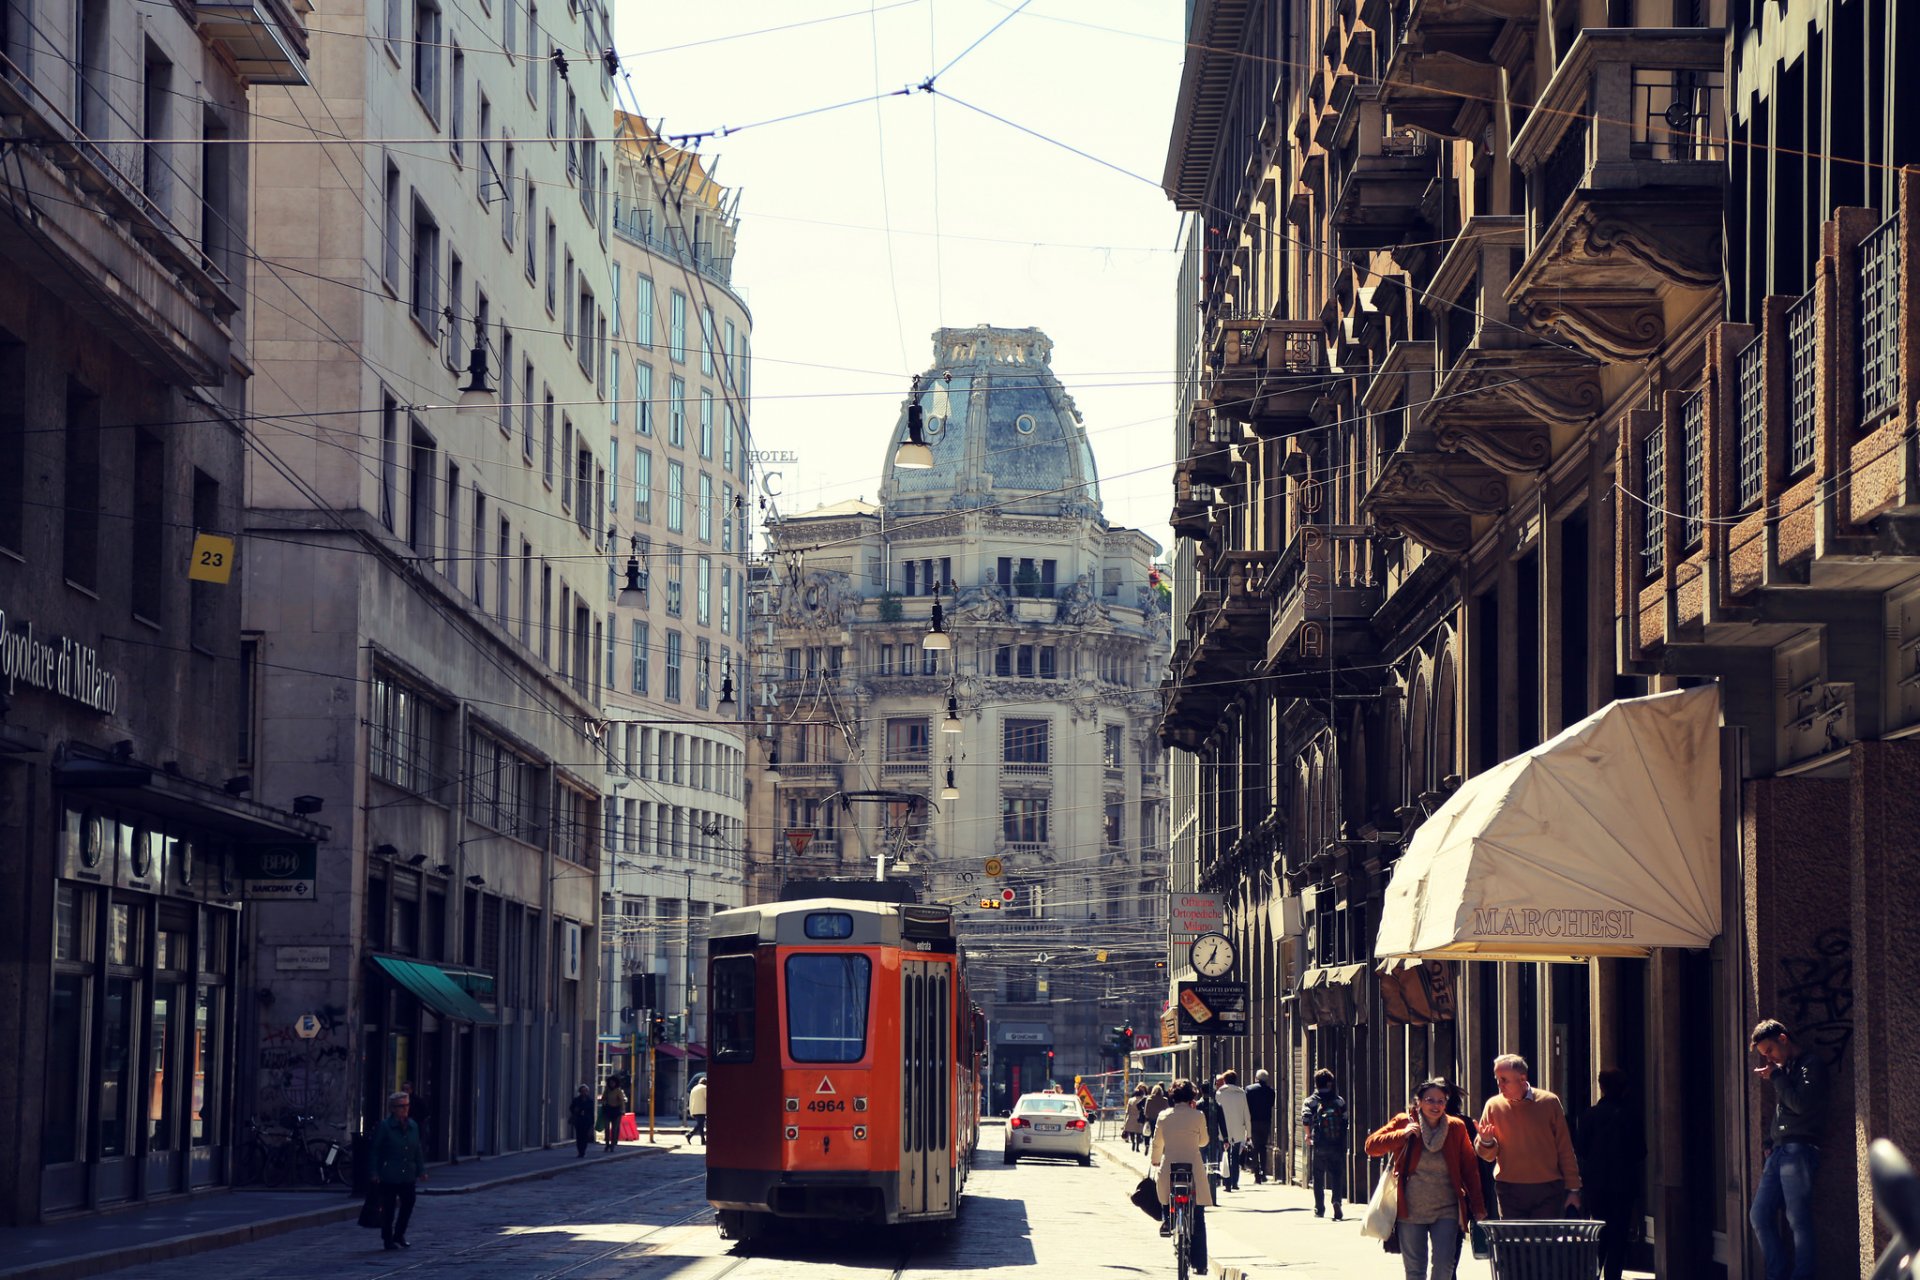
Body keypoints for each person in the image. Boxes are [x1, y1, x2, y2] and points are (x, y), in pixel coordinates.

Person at [1365, 1079, 1487, 1280]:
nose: (1435, 1105)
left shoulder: (1456, 1127)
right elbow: (1371, 1146)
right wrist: (1401, 1134)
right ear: (1419, 1101)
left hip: (1446, 1209)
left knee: (1445, 1267)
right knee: (1415, 1270)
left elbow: (1469, 1168)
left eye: (1441, 1101)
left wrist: (1478, 1206)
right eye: (1430, 1100)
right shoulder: (1404, 1122)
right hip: (1410, 1211)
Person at [1748, 1019, 1829, 1280]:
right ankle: (1777, 1274)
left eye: (1770, 1050)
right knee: (1759, 1215)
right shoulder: (1786, 1069)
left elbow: (1800, 1105)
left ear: (1783, 1039)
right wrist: (1769, 1142)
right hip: (1779, 1151)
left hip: (1799, 1149)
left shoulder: (1810, 1065)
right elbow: (1783, 1112)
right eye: (1764, 1055)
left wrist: (1776, 1076)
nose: (1769, 1058)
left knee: (1797, 1219)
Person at [1473, 1054, 1582, 1219]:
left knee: (1543, 1236)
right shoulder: (1493, 1106)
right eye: (1497, 1080)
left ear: (1522, 1078)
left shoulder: (1549, 1102)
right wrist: (1486, 1141)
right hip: (1509, 1190)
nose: (1500, 1085)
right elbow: (1487, 1156)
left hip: (1547, 1189)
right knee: (1512, 1236)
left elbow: (1564, 1147)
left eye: (1504, 1080)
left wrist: (1573, 1189)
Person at [1578, 1067, 1646, 1280]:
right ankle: (1613, 1276)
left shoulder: (1589, 1115)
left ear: (1601, 1087)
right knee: (1619, 1235)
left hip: (1596, 1185)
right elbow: (1640, 1151)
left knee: (1599, 1232)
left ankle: (1594, 1272)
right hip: (1624, 1185)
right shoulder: (1631, 1116)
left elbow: (1581, 1149)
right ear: (1624, 1089)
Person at [1149, 1078, 1213, 1272]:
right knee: (1198, 1215)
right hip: (1193, 1166)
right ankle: (1200, 1264)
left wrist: (1155, 1160)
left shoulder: (1164, 1116)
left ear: (1172, 1096)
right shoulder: (1198, 1115)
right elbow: (1204, 1141)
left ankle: (1167, 1218)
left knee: (1164, 1191)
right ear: (1191, 1097)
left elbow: (1157, 1143)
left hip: (1170, 1165)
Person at [370, 1090, 427, 1251]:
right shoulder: (385, 1126)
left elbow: (417, 1150)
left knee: (409, 1203)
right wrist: (374, 1172)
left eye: (407, 1105)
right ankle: (387, 1238)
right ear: (393, 1108)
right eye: (402, 1106)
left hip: (408, 1173)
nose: (405, 1109)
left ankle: (399, 1234)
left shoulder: (413, 1126)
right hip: (389, 1174)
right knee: (388, 1209)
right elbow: (375, 1151)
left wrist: (421, 1170)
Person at [1302, 1067, 1350, 1219]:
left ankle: (1319, 1208)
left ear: (1316, 1083)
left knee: (1318, 1176)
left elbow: (1305, 1119)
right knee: (1336, 1174)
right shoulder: (1339, 1101)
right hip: (1336, 1143)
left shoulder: (1310, 1101)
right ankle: (1336, 1200)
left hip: (1319, 1143)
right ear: (1330, 1083)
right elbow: (1345, 1120)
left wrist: (1308, 1135)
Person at [1215, 1070, 1253, 1192]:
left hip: (1223, 1131)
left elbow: (1216, 1113)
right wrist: (1249, 1133)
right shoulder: (1241, 1094)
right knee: (1235, 1156)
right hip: (1238, 1130)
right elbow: (1246, 1114)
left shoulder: (1219, 1093)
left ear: (1225, 1080)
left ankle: (1226, 1182)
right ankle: (1234, 1182)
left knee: (1225, 1155)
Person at [1198, 1078, 1229, 1198]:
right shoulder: (1217, 1105)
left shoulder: (1198, 1105)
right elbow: (1222, 1123)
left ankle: (1204, 1182)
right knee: (1213, 1162)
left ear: (1201, 1091)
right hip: (1214, 1138)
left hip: (1200, 1138)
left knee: (1202, 1162)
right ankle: (1213, 1182)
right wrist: (1225, 1138)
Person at [1245, 1068, 1276, 1183]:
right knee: (1263, 1147)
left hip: (1253, 1122)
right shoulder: (1271, 1091)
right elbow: (1271, 1105)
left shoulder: (1249, 1089)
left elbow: (1246, 1106)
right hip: (1266, 1122)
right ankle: (1263, 1173)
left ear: (1256, 1078)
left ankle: (1257, 1175)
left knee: (1254, 1148)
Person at [600, 1077, 628, 1151]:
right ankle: (607, 1144)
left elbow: (622, 1101)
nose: (612, 1084)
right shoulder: (607, 1090)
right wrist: (603, 1101)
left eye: (613, 1083)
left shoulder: (618, 1091)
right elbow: (603, 1098)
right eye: (610, 1082)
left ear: (616, 1083)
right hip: (608, 1110)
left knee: (614, 1129)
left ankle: (612, 1145)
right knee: (606, 1128)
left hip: (616, 1111)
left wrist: (622, 1110)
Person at [568, 1084, 596, 1158]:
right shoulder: (576, 1100)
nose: (584, 1092)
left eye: (585, 1091)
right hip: (578, 1120)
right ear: (580, 1092)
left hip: (587, 1120)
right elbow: (571, 1108)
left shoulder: (590, 1101)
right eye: (582, 1091)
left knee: (585, 1136)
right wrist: (575, 1110)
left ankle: (583, 1151)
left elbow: (592, 1112)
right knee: (579, 1136)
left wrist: (592, 1122)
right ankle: (580, 1151)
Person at [1123, 1085, 1148, 1153]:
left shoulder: (1130, 1100)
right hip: (1139, 1118)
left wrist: (1126, 1118)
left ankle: (1133, 1143)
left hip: (1131, 1118)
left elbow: (1128, 1110)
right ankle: (1137, 1147)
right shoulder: (1142, 1100)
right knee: (1138, 1133)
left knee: (1132, 1132)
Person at [686, 1073, 708, 1146]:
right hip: (701, 1109)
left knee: (700, 1124)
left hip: (694, 1109)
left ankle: (702, 1140)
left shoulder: (694, 1088)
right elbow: (707, 1097)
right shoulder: (704, 1088)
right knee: (700, 1124)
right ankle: (690, 1134)